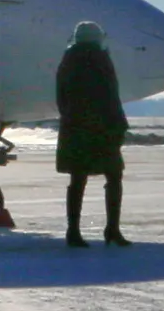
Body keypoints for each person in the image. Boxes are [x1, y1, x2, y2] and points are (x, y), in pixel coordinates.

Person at [54, 20, 131, 247]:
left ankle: (73, 231)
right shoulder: (100, 60)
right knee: (114, 177)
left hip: (75, 129)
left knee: (77, 179)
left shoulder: (67, 62)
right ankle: (112, 229)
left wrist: (71, 119)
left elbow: (61, 98)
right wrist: (119, 126)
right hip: (103, 129)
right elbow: (111, 96)